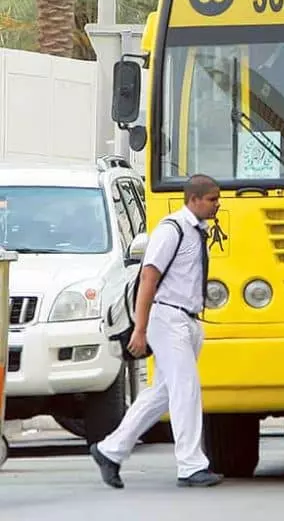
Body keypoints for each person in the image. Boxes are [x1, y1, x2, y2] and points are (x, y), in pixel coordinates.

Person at [90, 174, 224, 489]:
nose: (218, 204)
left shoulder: (197, 232)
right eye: (212, 199)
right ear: (194, 199)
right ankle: (191, 465)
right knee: (186, 389)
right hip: (168, 318)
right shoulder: (171, 230)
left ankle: (110, 450)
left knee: (162, 392)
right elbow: (149, 279)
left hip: (188, 320)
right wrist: (141, 328)